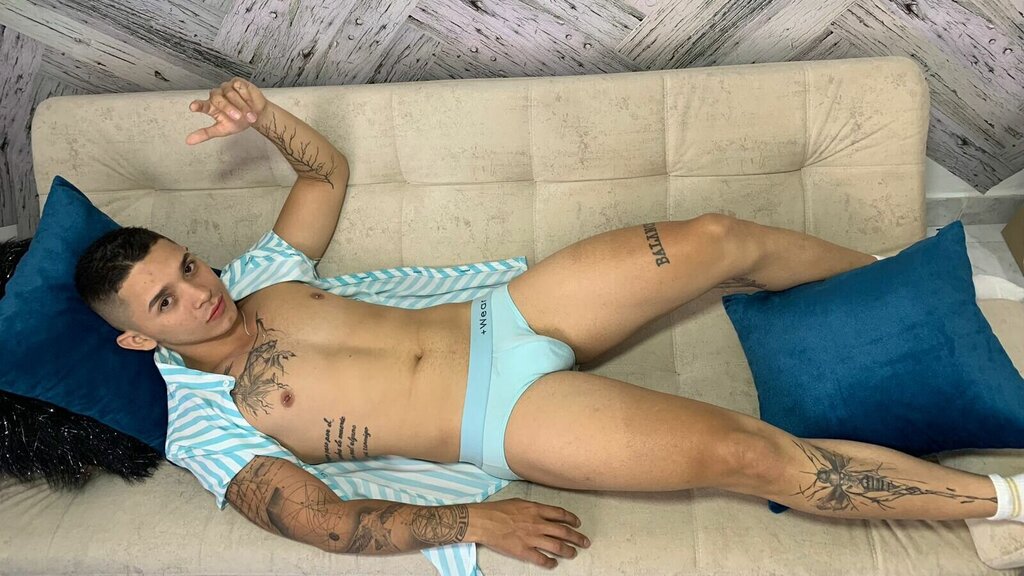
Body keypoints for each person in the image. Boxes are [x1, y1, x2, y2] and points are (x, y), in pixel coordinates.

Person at [74, 77, 1023, 570]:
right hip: (505, 416)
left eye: (186, 265)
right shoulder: (202, 421)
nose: (199, 292)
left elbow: (325, 174)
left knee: (716, 237)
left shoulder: (261, 272)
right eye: (166, 302)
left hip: (508, 311)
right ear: (136, 338)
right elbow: (322, 523)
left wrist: (264, 117)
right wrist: (472, 520)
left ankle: (909, 287)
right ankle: (1002, 509)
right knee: (746, 455)